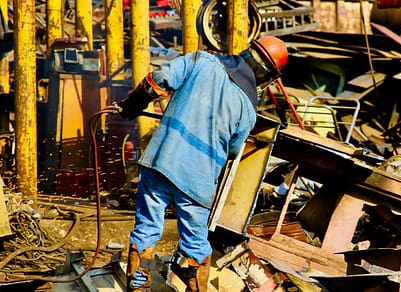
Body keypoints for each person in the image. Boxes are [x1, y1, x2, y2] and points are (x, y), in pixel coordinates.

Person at [118, 36, 289, 292]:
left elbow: (157, 80)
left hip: (161, 160)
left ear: (248, 51)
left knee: (147, 228)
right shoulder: (248, 110)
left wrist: (132, 106)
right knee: (195, 243)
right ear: (268, 77)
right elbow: (233, 149)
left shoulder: (201, 60)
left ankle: (139, 287)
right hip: (198, 180)